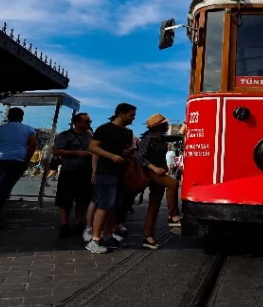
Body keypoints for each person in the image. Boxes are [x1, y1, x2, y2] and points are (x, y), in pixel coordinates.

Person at [86, 103, 136, 253]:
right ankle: (95, 240)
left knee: (113, 207)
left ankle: (107, 237)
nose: (133, 118)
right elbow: (92, 147)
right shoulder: (104, 129)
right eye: (131, 115)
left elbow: (123, 151)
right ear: (121, 114)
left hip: (121, 173)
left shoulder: (127, 132)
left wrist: (128, 152)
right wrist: (111, 156)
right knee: (104, 205)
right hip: (106, 172)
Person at [0, 108, 37, 229]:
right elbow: (32, 145)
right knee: (3, 190)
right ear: (22, 117)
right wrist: (26, 160)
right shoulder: (29, 129)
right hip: (15, 161)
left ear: (8, 117)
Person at [137, 114, 185, 250]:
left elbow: (177, 136)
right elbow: (140, 158)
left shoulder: (161, 138)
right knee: (173, 183)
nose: (167, 126)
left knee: (154, 205)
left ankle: (148, 236)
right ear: (158, 126)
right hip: (151, 172)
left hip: (160, 172)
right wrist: (154, 167)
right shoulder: (148, 139)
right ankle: (173, 215)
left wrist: (186, 125)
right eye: (165, 124)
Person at [52, 113, 94, 238]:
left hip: (86, 171)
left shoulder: (90, 136)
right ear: (77, 122)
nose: (89, 124)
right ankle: (64, 225)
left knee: (83, 199)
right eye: (86, 121)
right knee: (65, 199)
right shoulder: (65, 135)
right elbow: (56, 150)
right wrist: (76, 153)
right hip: (69, 171)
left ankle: (78, 222)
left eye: (89, 121)